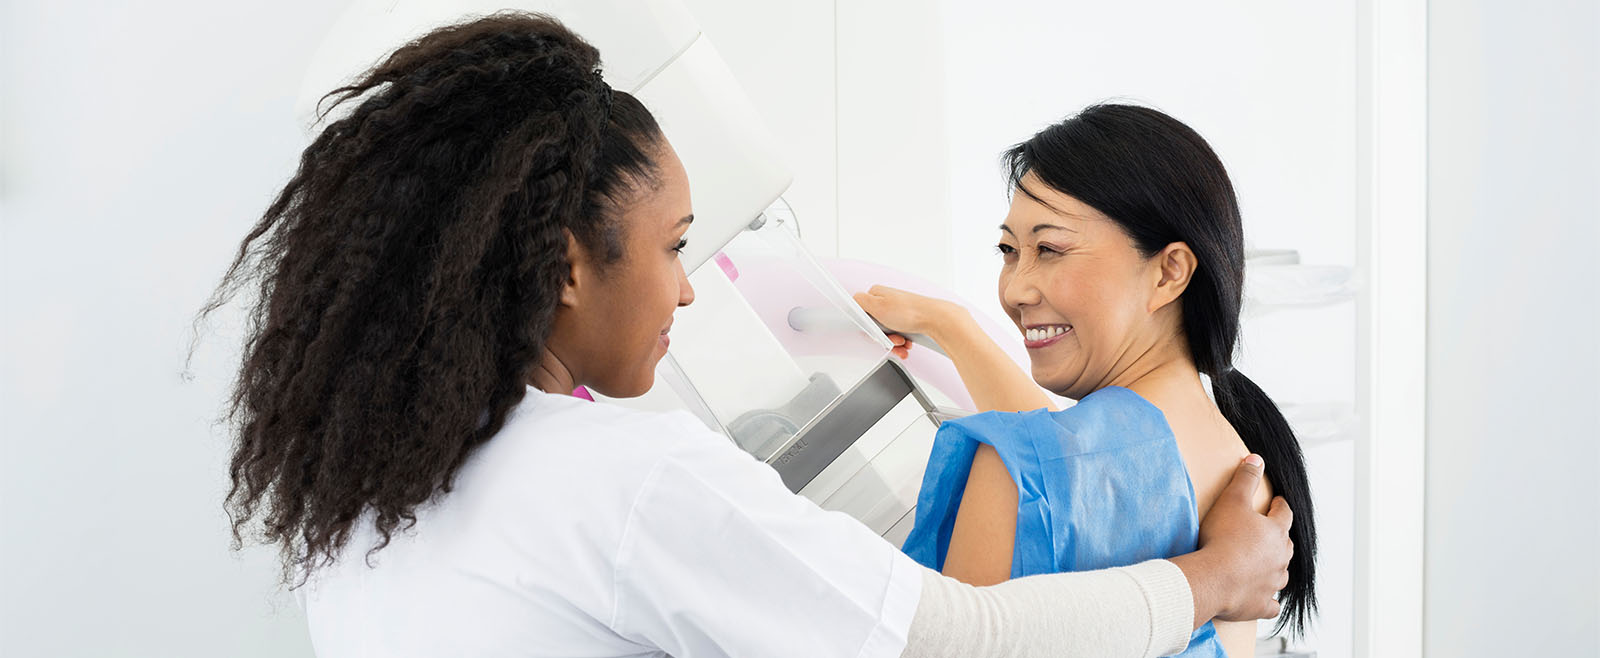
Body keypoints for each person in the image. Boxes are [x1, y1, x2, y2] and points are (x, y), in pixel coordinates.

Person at [201, 13, 1293, 658]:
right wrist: (1216, 579)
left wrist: (958, 337)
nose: (688, 291)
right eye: (676, 246)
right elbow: (949, 637)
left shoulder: (362, 492)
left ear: (1170, 270)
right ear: (565, 264)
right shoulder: (619, 476)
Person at [854, 104, 1317, 657]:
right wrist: (948, 325)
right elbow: (1065, 461)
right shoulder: (1242, 465)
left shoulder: (1019, 467)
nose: (1015, 290)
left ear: (1169, 270)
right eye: (1009, 251)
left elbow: (1049, 471)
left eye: (1049, 248)